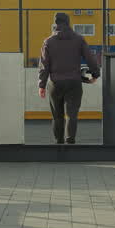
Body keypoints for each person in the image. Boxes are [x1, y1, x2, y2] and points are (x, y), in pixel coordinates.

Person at [37, 12, 100, 145]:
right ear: (68, 23)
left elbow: (44, 65)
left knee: (57, 116)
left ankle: (59, 142)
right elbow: (90, 58)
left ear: (56, 24)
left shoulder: (48, 42)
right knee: (72, 115)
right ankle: (70, 141)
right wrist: (95, 74)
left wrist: (41, 85)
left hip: (55, 83)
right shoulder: (79, 39)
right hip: (74, 83)